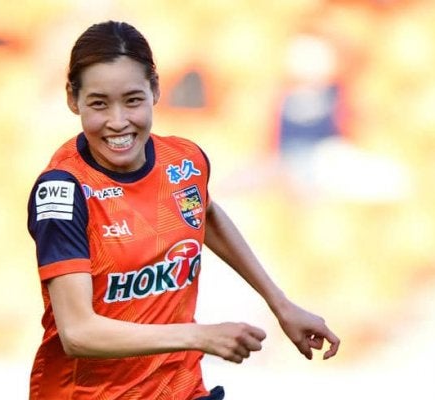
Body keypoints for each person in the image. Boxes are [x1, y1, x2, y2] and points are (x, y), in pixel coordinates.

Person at [26, 21, 340, 400]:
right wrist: (199, 335)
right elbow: (79, 334)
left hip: (181, 389)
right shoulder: (64, 191)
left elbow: (204, 215)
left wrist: (281, 304)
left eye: (133, 100)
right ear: (72, 99)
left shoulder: (184, 162)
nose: (118, 121)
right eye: (99, 103)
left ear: (155, 90)